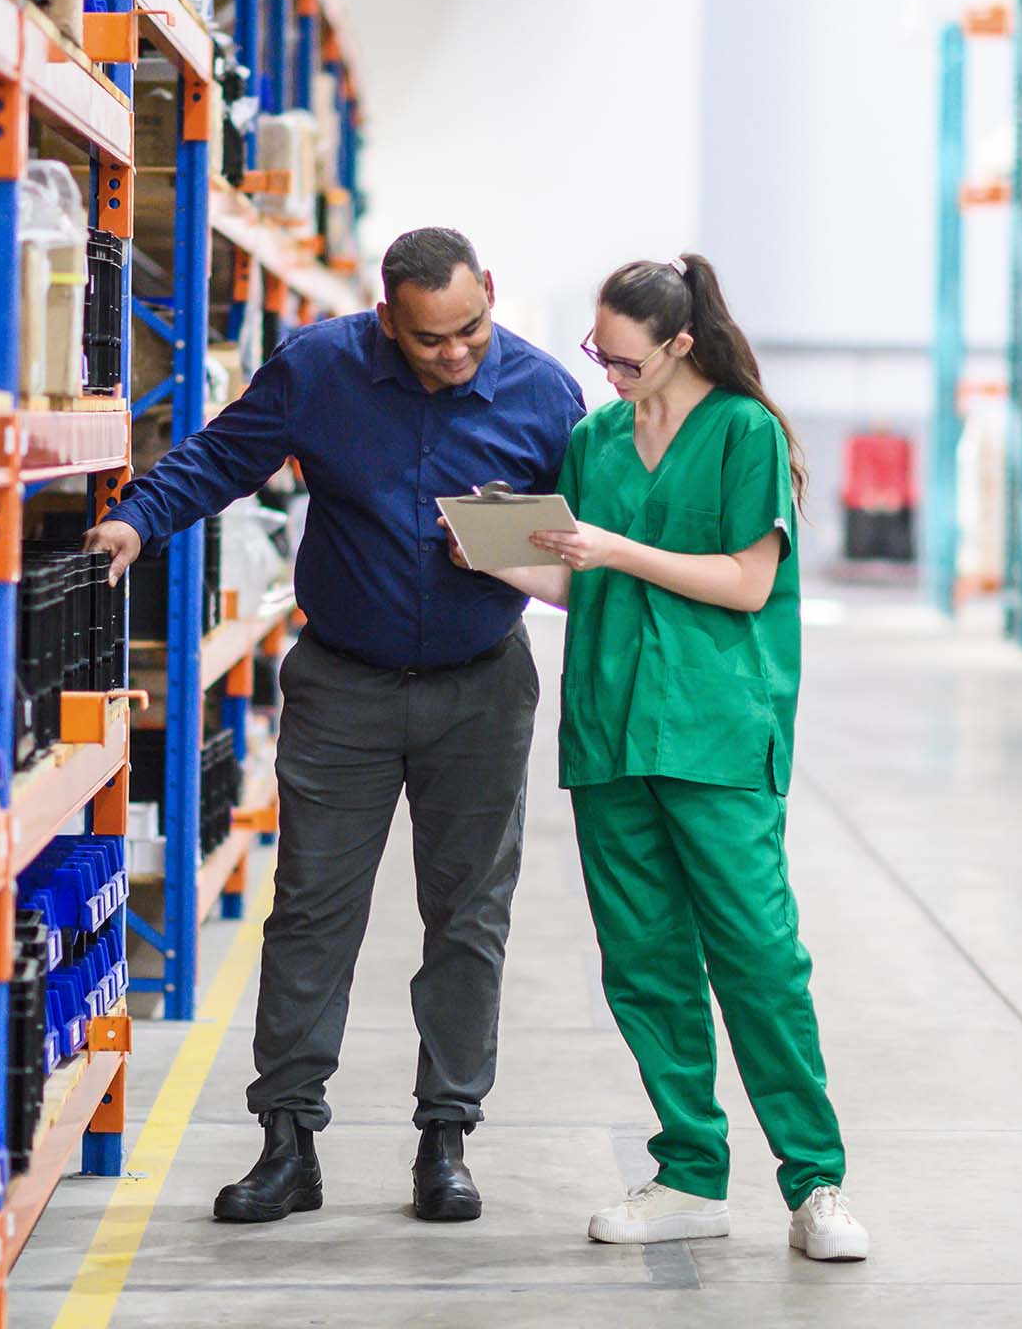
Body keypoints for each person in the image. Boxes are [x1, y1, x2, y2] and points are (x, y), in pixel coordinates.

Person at [84, 227, 584, 1225]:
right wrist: (137, 520)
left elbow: (592, 538)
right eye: (429, 338)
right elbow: (223, 456)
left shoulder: (545, 393)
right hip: (344, 684)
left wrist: (524, 544)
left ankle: (446, 1137)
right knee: (312, 907)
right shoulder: (320, 366)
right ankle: (287, 1139)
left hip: (482, 688)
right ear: (386, 317)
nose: (454, 354)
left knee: (469, 915)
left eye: (470, 330)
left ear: (491, 291)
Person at [454, 253, 868, 1259]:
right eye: (599, 351)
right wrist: (495, 549)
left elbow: (743, 583)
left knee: (760, 959)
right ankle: (689, 1173)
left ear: (681, 344)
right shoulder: (595, 440)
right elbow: (577, 585)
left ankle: (817, 1185)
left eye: (626, 358)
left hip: (718, 730)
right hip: (609, 730)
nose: (609, 372)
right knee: (644, 965)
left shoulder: (742, 432)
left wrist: (612, 549)